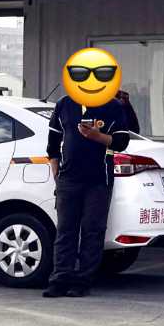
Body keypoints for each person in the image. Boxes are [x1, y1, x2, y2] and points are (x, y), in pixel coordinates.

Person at [44, 88, 137, 298]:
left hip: (99, 179)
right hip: (68, 179)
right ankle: (59, 280)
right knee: (65, 230)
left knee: (92, 231)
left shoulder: (113, 106)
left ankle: (82, 281)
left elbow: (121, 142)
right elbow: (52, 142)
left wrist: (97, 136)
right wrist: (55, 168)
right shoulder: (64, 104)